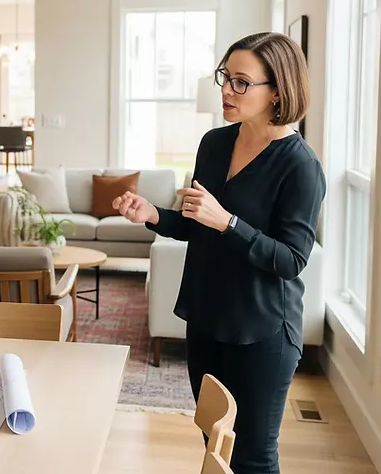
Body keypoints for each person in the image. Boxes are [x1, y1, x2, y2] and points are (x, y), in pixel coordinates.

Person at [113, 32, 325, 474]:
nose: (227, 90)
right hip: (207, 318)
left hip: (263, 330)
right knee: (214, 439)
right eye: (225, 77)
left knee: (253, 456)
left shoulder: (300, 166)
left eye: (241, 82)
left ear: (279, 91)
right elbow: (197, 226)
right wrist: (152, 214)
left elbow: (291, 259)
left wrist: (227, 221)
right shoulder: (214, 143)